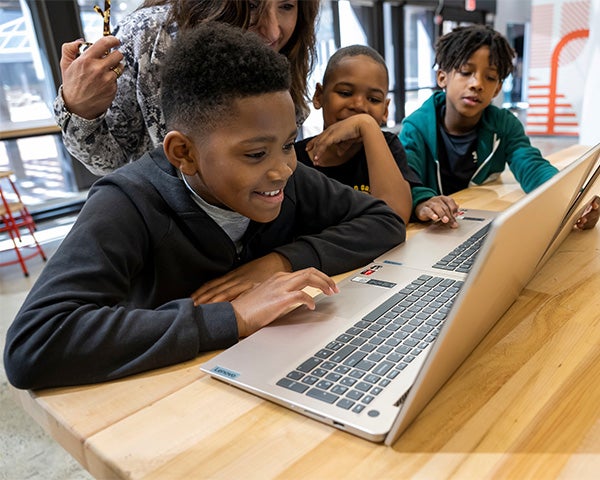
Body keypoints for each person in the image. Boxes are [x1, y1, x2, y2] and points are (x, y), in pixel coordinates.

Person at [4, 22, 405, 390]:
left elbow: (382, 219)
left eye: (287, 144)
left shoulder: (288, 176)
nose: (282, 168)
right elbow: (33, 344)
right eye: (255, 154)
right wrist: (235, 317)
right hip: (164, 402)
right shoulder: (126, 203)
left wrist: (281, 261)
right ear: (184, 152)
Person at [53, 0, 320, 175]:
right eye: (251, 5)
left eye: (286, 5)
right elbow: (109, 162)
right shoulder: (150, 34)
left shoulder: (289, 49)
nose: (273, 31)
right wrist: (79, 110)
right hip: (166, 233)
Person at [399, 24, 599, 229]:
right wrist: (422, 200)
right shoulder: (415, 128)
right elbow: (405, 178)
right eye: (466, 72)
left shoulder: (504, 124)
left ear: (498, 89)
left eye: (490, 77)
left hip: (473, 223)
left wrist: (570, 197)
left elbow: (531, 166)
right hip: (430, 228)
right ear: (442, 77)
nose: (477, 83)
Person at [295, 45, 420, 225]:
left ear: (385, 110)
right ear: (319, 96)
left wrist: (367, 126)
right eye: (345, 93)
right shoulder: (294, 160)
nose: (359, 106)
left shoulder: (388, 146)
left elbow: (395, 218)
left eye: (374, 99)